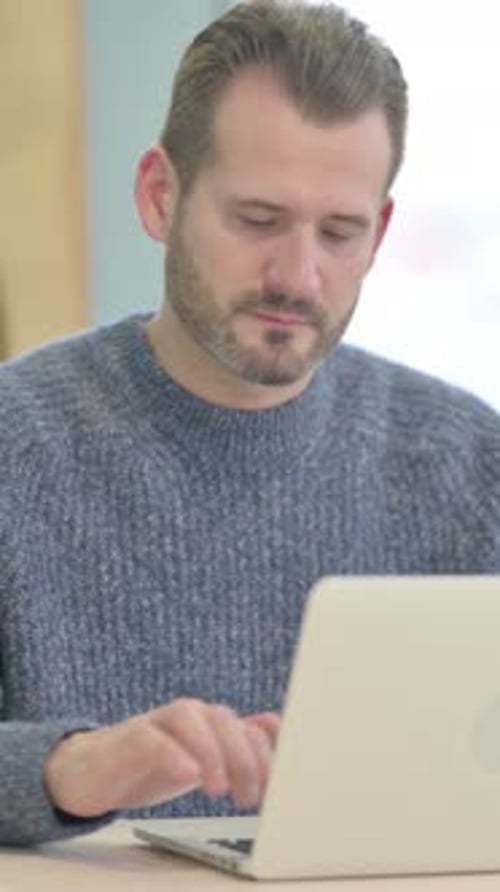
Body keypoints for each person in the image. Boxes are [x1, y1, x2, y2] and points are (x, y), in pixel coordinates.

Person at [0, 0, 499, 848]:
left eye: (339, 233)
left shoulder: (468, 461)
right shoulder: (17, 444)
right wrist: (62, 768)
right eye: (258, 221)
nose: (298, 276)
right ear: (161, 197)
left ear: (379, 233)